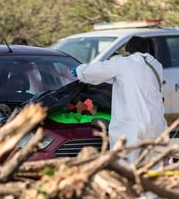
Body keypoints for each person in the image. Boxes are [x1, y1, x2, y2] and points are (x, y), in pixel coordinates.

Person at [71, 36, 167, 165]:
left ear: (128, 50)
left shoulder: (123, 63)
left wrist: (79, 71)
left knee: (124, 166)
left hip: (132, 126)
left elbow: (98, 71)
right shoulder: (156, 65)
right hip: (156, 124)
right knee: (154, 167)